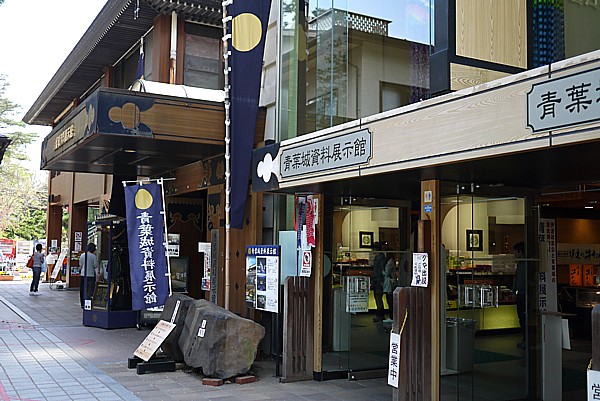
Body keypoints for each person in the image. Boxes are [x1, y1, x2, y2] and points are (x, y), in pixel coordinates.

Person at [513, 241, 526, 349]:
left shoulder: (525, 264)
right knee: (521, 317)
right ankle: (525, 339)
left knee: (523, 317)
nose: (515, 254)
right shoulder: (521, 263)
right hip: (520, 293)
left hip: (523, 293)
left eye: (516, 252)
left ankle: (526, 339)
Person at [79, 243, 99, 308]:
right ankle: (88, 303)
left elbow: (80, 264)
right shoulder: (93, 256)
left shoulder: (82, 255)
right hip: (90, 275)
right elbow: (95, 265)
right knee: (90, 290)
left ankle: (82, 303)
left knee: (83, 289)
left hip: (83, 274)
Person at [371, 244, 386, 322]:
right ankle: (380, 315)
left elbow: (380, 270)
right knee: (377, 298)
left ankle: (380, 315)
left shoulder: (380, 258)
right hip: (377, 279)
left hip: (378, 280)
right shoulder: (378, 257)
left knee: (378, 298)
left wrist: (380, 280)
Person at [383, 253, 396, 323]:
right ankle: (391, 316)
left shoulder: (390, 262)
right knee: (390, 300)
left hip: (389, 283)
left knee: (390, 300)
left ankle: (391, 316)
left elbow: (387, 273)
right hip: (390, 282)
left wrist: (382, 272)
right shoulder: (392, 261)